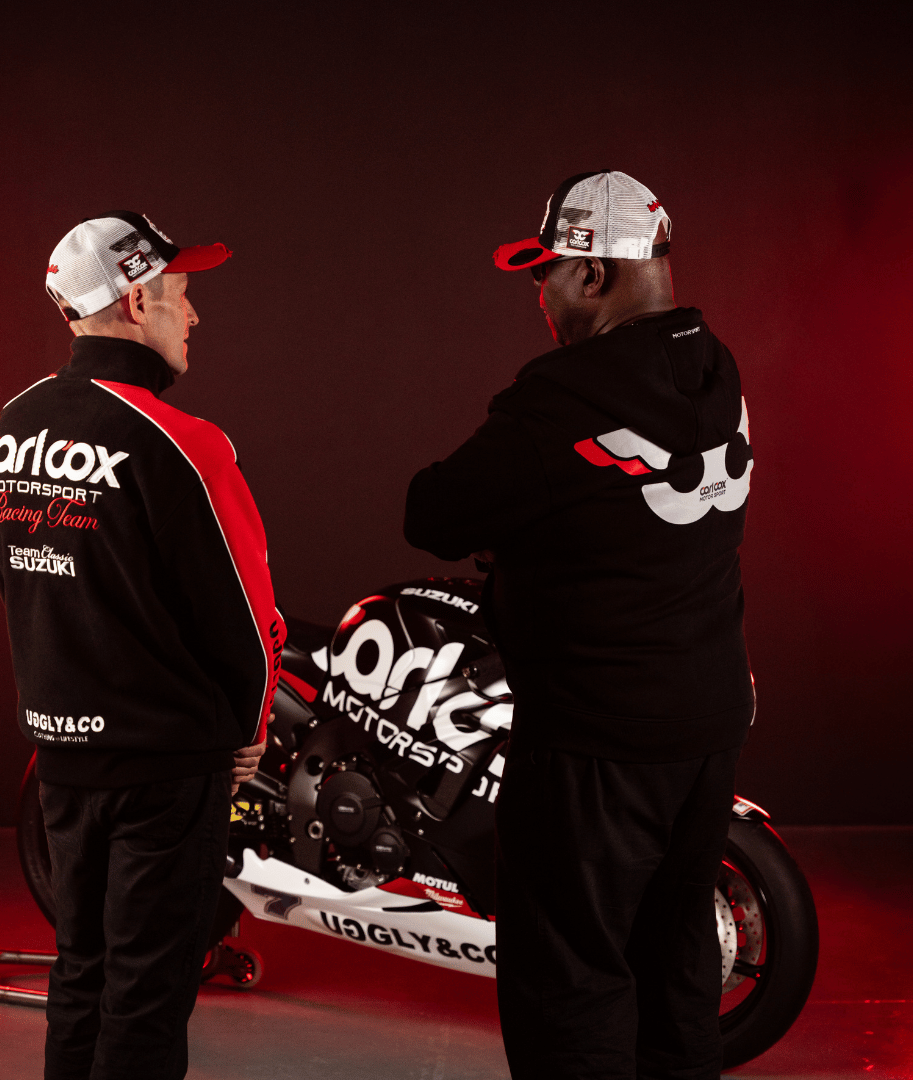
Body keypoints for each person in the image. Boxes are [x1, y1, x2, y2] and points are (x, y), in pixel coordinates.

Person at [404, 171, 755, 1080]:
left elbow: (433, 514)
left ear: (593, 273)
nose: (540, 293)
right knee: (675, 963)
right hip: (708, 726)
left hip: (597, 742)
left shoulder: (564, 397)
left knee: (571, 984)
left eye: (545, 272)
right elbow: (630, 520)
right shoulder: (716, 367)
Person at [0, 212, 285, 1080]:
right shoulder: (184, 442)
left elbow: (15, 580)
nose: (195, 315)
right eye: (182, 295)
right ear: (138, 299)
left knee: (83, 971)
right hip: (166, 768)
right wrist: (247, 731)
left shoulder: (12, 425)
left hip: (61, 757)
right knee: (147, 992)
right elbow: (247, 619)